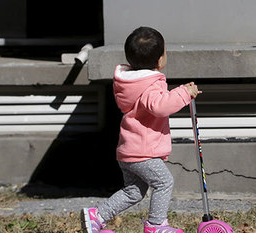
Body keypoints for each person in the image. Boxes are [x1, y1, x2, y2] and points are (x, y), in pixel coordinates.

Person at [81, 26, 201, 233]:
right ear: (160, 60)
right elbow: (160, 106)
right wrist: (184, 93)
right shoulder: (150, 84)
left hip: (129, 150)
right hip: (143, 152)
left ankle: (98, 216)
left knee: (134, 192)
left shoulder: (131, 82)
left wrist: (180, 91)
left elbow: (155, 102)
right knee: (164, 182)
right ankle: (156, 225)